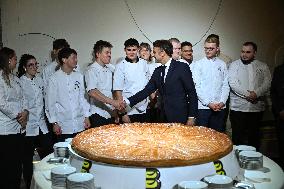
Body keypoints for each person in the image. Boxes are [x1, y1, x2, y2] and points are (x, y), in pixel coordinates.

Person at [124, 40, 198, 124]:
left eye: (155, 52)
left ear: (162, 53)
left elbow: (192, 93)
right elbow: (147, 90)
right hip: (162, 117)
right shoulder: (157, 71)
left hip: (179, 116)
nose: (152, 55)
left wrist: (192, 117)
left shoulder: (182, 67)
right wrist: (127, 102)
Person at [17, 54, 53, 189]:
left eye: (35, 64)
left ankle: (47, 182)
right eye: (30, 65)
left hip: (42, 125)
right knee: (27, 159)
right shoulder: (20, 82)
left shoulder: (40, 80)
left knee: (49, 153)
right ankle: (28, 184)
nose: (34, 67)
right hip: (28, 126)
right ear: (24, 67)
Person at [228, 42, 271, 150]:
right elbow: (233, 84)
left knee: (254, 137)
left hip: (256, 109)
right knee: (238, 138)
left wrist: (256, 93)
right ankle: (236, 163)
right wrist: (249, 94)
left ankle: (253, 163)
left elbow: (267, 83)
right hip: (238, 108)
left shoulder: (263, 65)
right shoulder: (234, 65)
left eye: (248, 52)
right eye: (242, 51)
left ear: (254, 53)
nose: (244, 54)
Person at [45, 48, 91, 142]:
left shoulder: (79, 76)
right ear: (64, 60)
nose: (76, 60)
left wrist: (86, 116)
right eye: (73, 58)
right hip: (63, 126)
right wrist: (54, 123)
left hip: (80, 123)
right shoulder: (54, 79)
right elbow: (50, 103)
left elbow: (83, 98)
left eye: (76, 58)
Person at [0, 47, 29, 189]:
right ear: (8, 59)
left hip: (19, 128)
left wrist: (25, 112)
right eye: (15, 58)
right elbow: (1, 103)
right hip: (5, 129)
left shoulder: (15, 78)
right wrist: (18, 114)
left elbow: (23, 98)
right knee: (7, 166)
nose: (16, 61)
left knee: (18, 165)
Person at [190, 35, 230, 132]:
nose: (208, 51)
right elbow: (197, 87)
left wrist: (222, 102)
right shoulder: (198, 64)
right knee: (203, 137)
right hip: (203, 108)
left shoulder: (222, 64)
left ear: (217, 49)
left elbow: (225, 85)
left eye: (211, 48)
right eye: (206, 48)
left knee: (218, 136)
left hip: (220, 107)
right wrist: (208, 103)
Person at [85, 40, 122, 127]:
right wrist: (113, 103)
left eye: (110, 52)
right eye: (107, 52)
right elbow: (92, 92)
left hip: (111, 113)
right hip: (98, 115)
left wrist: (115, 111)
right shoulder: (91, 70)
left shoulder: (110, 68)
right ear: (98, 54)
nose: (109, 55)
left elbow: (113, 90)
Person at [113, 38, 150, 123]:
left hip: (144, 108)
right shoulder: (120, 66)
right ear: (124, 50)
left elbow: (148, 84)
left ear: (138, 49)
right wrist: (123, 114)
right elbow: (118, 91)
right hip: (129, 111)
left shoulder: (144, 63)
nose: (131, 52)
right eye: (129, 50)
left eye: (134, 50)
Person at [139, 42, 161, 122]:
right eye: (142, 50)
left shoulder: (156, 66)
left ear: (150, 52)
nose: (145, 52)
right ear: (139, 52)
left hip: (156, 102)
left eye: (147, 50)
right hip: (142, 104)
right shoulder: (137, 67)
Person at [271, 61, 284, 168]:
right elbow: (273, 92)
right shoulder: (279, 70)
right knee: (282, 141)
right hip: (281, 113)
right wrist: (280, 110)